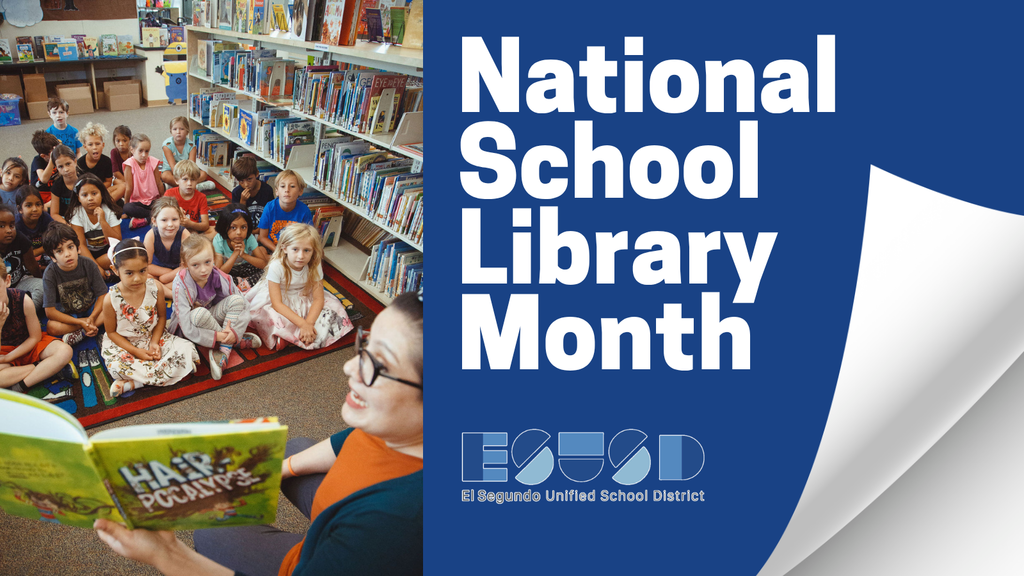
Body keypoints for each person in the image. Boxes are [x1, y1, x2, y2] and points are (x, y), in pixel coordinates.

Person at [94, 289, 424, 576]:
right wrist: (279, 468)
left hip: (331, 553)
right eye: (364, 345)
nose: (349, 367)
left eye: (378, 364)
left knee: (213, 534)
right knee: (291, 450)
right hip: (349, 519)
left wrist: (166, 555)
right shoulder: (401, 427)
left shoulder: (393, 525)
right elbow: (351, 441)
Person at [99, 239, 199, 397]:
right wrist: (136, 352)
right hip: (126, 345)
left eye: (142, 271)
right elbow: (111, 333)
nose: (137, 278)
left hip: (154, 337)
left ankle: (135, 383)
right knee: (117, 367)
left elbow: (161, 318)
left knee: (188, 348)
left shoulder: (156, 287)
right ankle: (168, 372)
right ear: (115, 270)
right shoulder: (110, 299)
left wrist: (154, 342)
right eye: (129, 273)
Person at [168, 235, 261, 381]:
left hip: (213, 318)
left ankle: (223, 351)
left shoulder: (218, 275)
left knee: (237, 300)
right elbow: (186, 326)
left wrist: (234, 331)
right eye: (195, 265)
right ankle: (231, 343)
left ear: (214, 258)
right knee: (199, 313)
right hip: (193, 326)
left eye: (207, 262)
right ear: (185, 264)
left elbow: (242, 303)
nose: (204, 270)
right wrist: (219, 336)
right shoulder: (180, 285)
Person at [246, 223, 352, 350]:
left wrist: (308, 323)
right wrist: (303, 324)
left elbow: (318, 298)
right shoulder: (276, 266)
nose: (301, 256)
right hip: (279, 297)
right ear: (284, 248)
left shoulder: (314, 264)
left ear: (313, 251)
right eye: (295, 249)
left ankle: (292, 336)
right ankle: (293, 335)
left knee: (335, 307)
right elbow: (277, 304)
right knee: (271, 315)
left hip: (305, 294)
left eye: (307, 250)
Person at [0, 258, 75, 398]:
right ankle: (43, 367)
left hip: (30, 345)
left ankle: (20, 385)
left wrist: (10, 357)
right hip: (3, 352)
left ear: (7, 281)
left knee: (64, 351)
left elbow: (35, 337)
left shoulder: (22, 300)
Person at [41, 222, 107, 346]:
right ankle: (85, 327)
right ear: (53, 257)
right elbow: (50, 312)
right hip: (68, 315)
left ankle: (81, 331)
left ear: (78, 248)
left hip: (91, 308)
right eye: (59, 251)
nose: (67, 254)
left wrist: (92, 317)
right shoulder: (50, 273)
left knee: (113, 306)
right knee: (51, 326)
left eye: (70, 247)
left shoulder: (89, 264)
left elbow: (102, 295)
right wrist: (80, 322)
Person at [66, 174, 122, 277]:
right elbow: (81, 245)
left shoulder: (109, 210)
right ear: (78, 198)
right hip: (87, 253)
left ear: (101, 194)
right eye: (84, 195)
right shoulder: (77, 213)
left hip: (107, 252)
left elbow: (116, 242)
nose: (90, 198)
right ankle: (101, 270)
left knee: (122, 256)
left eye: (94, 193)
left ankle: (91, 270)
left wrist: (102, 221)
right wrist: (96, 268)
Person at [213, 203, 267, 292]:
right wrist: (235, 253)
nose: (239, 232)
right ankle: (243, 282)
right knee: (216, 278)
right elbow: (220, 271)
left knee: (268, 271)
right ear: (224, 226)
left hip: (245, 267)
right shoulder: (219, 240)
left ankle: (241, 285)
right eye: (233, 227)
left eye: (243, 227)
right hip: (229, 271)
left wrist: (244, 255)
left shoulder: (249, 238)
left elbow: (263, 264)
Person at [0, 204, 44, 312]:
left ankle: (22, 315)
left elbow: (33, 267)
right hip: (1, 290)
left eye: (12, 225)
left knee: (43, 287)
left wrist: (42, 281)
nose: (9, 230)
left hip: (19, 283)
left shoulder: (20, 238)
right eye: (1, 226)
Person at [143, 196, 190, 298]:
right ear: (154, 221)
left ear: (180, 219)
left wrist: (164, 278)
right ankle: (172, 293)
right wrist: (166, 273)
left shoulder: (184, 235)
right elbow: (146, 265)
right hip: (158, 271)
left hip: (179, 272)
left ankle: (160, 290)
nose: (170, 224)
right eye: (164, 220)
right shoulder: (151, 235)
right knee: (144, 277)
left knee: (192, 276)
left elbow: (186, 266)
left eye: (174, 219)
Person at [257, 169, 313, 253]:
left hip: (294, 249)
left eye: (292, 186)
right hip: (272, 247)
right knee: (260, 251)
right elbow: (262, 237)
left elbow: (309, 237)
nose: (287, 190)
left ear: (300, 191)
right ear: (276, 191)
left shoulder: (304, 210)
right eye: (283, 186)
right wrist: (277, 251)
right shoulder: (269, 207)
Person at [123, 133, 165, 229]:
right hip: (138, 202)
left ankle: (146, 219)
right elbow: (128, 187)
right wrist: (125, 208)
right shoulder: (129, 165)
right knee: (128, 208)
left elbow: (159, 183)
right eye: (140, 151)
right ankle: (156, 216)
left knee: (166, 204)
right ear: (132, 150)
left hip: (153, 200)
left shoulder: (153, 162)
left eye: (147, 151)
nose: (144, 155)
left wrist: (163, 201)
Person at [161, 116, 214, 190]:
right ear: (171, 131)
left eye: (182, 129)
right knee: (165, 176)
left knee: (203, 174)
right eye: (175, 129)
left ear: (187, 131)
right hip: (171, 171)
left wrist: (187, 177)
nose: (178, 132)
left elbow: (191, 166)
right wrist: (185, 179)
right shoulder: (167, 145)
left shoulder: (191, 146)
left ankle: (177, 186)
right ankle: (194, 186)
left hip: (187, 171)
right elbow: (173, 167)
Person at [77, 122, 126, 202]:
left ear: (103, 145)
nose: (94, 147)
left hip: (101, 190)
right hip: (87, 194)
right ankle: (104, 203)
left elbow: (108, 182)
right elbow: (79, 185)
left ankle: (103, 203)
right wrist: (92, 192)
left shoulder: (106, 161)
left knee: (123, 186)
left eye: (97, 144)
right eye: (90, 145)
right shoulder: (80, 163)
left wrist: (97, 189)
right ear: (85, 147)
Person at [163, 160, 211, 235]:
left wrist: (190, 224)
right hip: (173, 229)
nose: (189, 183)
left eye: (193, 179)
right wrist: (176, 211)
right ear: (176, 180)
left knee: (215, 231)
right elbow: (161, 217)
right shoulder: (169, 193)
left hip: (192, 230)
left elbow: (205, 225)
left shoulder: (201, 197)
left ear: (198, 180)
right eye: (185, 179)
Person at [14, 186, 54, 268]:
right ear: (20, 209)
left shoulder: (45, 217)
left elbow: (55, 237)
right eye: (29, 205)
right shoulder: (16, 224)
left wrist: (36, 252)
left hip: (44, 252)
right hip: (25, 257)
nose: (35, 209)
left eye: (38, 204)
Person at [229, 156, 274, 224]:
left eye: (249, 179)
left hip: (263, 228)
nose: (246, 184)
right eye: (241, 181)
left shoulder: (267, 190)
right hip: (244, 228)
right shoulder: (236, 192)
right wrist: (243, 201)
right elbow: (237, 218)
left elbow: (272, 214)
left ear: (257, 174)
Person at [46, 144, 81, 223]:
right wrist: (67, 225)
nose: (66, 169)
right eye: (60, 167)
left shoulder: (85, 181)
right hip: (65, 220)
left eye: (68, 164)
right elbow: (54, 214)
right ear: (56, 168)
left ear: (75, 161)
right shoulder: (57, 186)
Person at [30, 130, 61, 208]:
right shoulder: (37, 160)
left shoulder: (59, 157)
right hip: (40, 193)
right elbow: (43, 179)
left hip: (53, 191)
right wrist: (51, 160)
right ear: (43, 156)